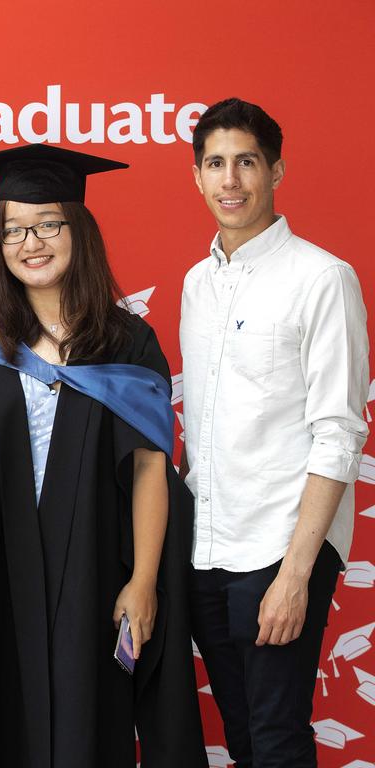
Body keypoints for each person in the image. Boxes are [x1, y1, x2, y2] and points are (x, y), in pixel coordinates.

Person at [0, 144, 207, 767]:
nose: (31, 242)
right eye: (14, 229)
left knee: (87, 719)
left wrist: (143, 581)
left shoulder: (127, 343)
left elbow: (152, 467)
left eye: (49, 224)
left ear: (79, 230)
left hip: (94, 565)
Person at [180, 98, 369, 768]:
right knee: (242, 737)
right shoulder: (197, 284)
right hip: (207, 549)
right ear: (198, 177)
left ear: (277, 170)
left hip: (280, 546)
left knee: (278, 736)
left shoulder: (322, 278)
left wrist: (296, 571)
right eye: (216, 164)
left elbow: (339, 433)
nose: (231, 180)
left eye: (247, 162)